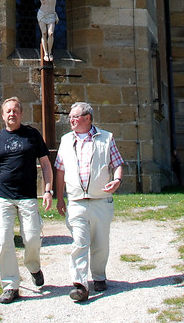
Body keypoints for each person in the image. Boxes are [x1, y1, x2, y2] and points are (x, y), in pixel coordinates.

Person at [0, 97, 55, 304]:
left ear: (21, 114)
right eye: (8, 111)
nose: (12, 114)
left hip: (27, 197)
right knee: (3, 242)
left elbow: (45, 164)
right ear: (2, 115)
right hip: (3, 197)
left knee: (32, 238)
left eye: (16, 110)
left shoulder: (32, 135)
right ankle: (10, 285)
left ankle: (33, 266)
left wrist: (48, 190)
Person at [54, 101, 124, 302]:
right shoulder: (66, 140)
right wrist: (61, 197)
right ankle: (79, 284)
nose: (71, 121)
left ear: (87, 118)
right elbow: (60, 169)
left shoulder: (106, 138)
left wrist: (117, 180)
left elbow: (117, 163)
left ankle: (99, 276)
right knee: (79, 243)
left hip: (101, 200)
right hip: (76, 201)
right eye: (70, 117)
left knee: (101, 243)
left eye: (74, 117)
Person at [10, 0, 82, 62]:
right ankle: (46, 53)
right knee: (44, 33)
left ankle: (50, 52)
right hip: (42, 14)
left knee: (50, 33)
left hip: (51, 15)